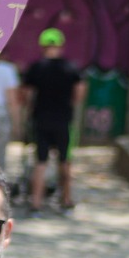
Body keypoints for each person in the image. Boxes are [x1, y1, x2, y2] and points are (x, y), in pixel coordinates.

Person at [19, 28, 84, 214]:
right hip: (64, 121)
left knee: (40, 162)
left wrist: (28, 111)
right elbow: (79, 93)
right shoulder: (71, 68)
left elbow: (26, 94)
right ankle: (66, 201)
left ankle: (36, 204)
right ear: (61, 46)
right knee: (65, 161)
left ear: (42, 46)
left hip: (40, 120)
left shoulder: (36, 67)